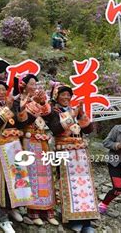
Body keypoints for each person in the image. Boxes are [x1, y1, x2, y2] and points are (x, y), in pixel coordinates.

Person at [43, 83, 100, 233]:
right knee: (67, 185)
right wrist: (72, 116)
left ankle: (86, 220)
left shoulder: (74, 109)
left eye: (68, 94)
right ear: (56, 96)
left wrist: (82, 115)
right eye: (63, 94)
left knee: (84, 185)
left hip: (79, 151)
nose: (66, 97)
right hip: (63, 150)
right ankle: (71, 219)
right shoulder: (53, 111)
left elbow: (88, 130)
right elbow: (55, 129)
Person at [0, 80, 34, 233]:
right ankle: (2, 217)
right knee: (1, 182)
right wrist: (8, 108)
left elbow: (20, 125)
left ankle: (14, 207)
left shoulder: (12, 105)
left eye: (3, 90)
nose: (1, 92)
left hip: (14, 147)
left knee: (17, 179)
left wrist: (22, 109)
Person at [13, 74, 58, 226]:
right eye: (32, 84)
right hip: (29, 139)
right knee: (32, 174)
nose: (34, 86)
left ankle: (48, 210)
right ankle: (33, 211)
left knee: (45, 174)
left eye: (35, 84)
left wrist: (43, 101)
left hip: (42, 140)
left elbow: (49, 114)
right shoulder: (19, 99)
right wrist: (32, 104)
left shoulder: (38, 100)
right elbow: (22, 120)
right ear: (24, 86)